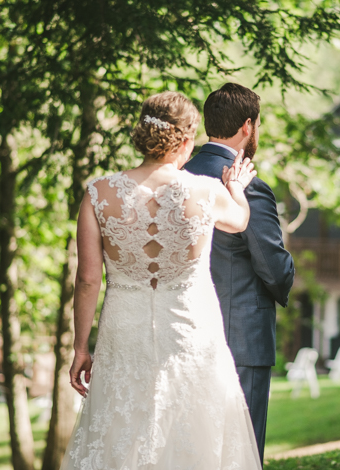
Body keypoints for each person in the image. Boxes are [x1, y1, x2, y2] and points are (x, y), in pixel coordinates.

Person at [61, 91, 262, 470]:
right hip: (191, 328)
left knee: (122, 430)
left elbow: (88, 279)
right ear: (186, 141)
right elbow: (240, 220)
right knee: (194, 427)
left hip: (124, 329)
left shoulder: (99, 194)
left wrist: (80, 347)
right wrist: (236, 187)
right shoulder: (206, 191)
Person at [184, 83, 295, 463]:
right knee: (240, 451)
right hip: (242, 339)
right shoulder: (250, 187)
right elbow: (274, 269)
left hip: (184, 333)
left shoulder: (179, 177)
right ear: (248, 127)